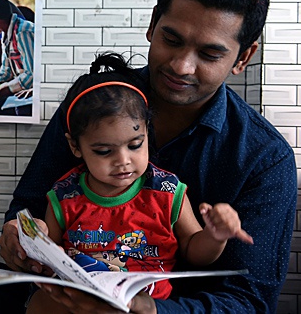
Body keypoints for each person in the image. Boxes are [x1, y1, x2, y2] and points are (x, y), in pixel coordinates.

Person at [0, 0, 296, 314]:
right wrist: (20, 237)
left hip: (162, 305)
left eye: (210, 54)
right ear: (152, 25)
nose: (181, 65)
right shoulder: (95, 102)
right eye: (171, 39)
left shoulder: (263, 157)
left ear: (243, 57)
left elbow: (250, 300)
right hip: (67, 291)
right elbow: (29, 206)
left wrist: (152, 311)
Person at [26, 52, 253, 313]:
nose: (123, 160)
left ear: (147, 131)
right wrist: (37, 241)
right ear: (75, 146)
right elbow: (50, 261)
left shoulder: (166, 191)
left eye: (135, 145)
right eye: (104, 151)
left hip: (144, 306)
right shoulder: (65, 196)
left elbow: (194, 252)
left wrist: (215, 235)